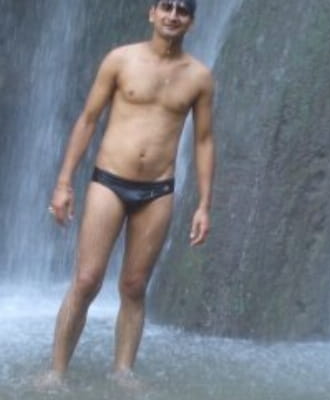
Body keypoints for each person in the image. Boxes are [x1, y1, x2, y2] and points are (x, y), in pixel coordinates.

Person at [42, 0, 214, 388]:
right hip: (109, 181)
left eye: (182, 11)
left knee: (135, 286)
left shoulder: (199, 77)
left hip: (158, 189)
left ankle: (123, 372)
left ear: (191, 22)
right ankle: (56, 371)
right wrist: (64, 182)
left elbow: (204, 140)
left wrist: (204, 204)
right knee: (87, 279)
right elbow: (88, 119)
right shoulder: (120, 60)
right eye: (166, 7)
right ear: (152, 13)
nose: (173, 15)